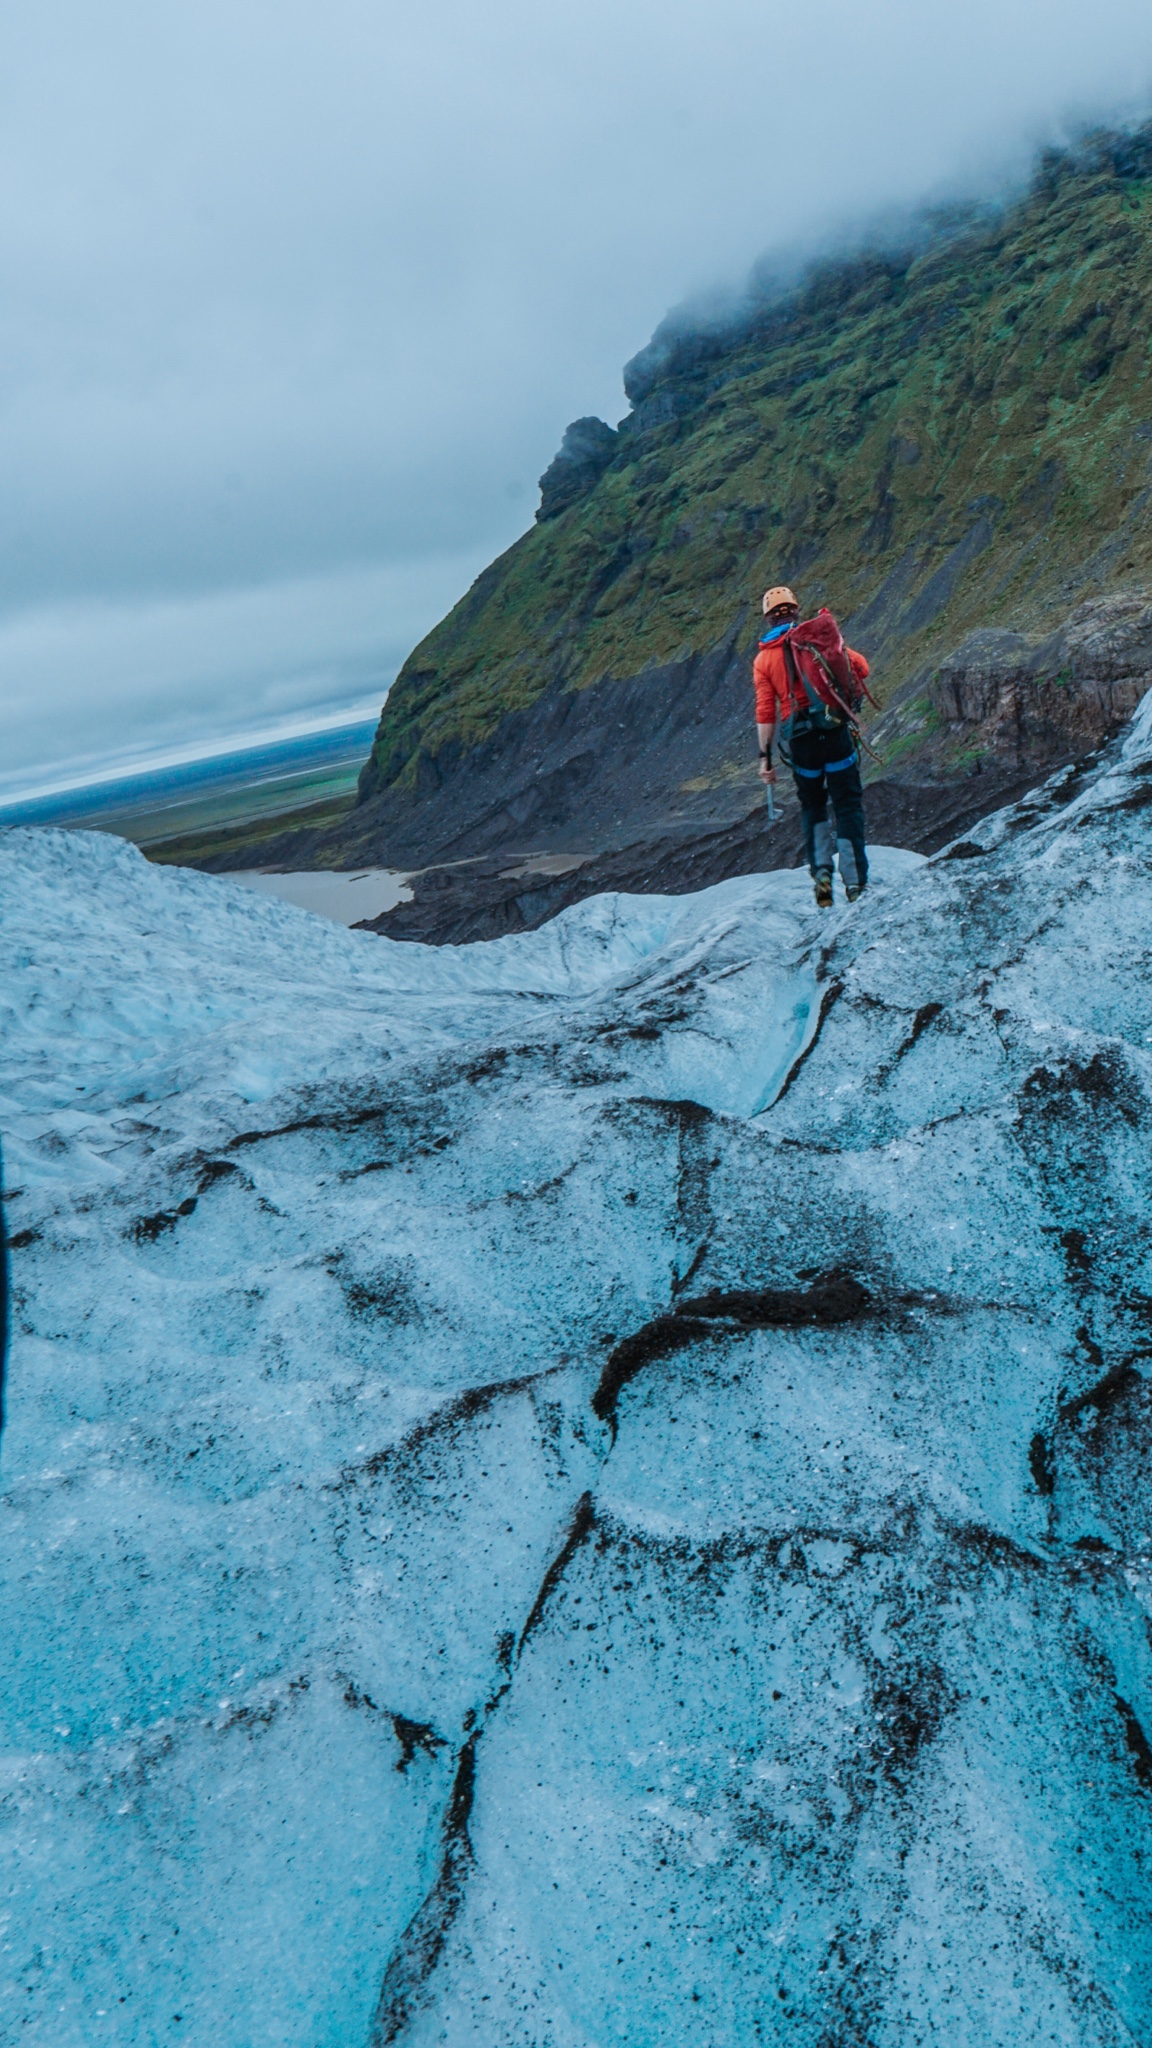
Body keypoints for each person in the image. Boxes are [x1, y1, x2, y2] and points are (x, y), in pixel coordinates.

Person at [753, 584, 871, 908]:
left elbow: (765, 712)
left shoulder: (763, 661)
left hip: (802, 744)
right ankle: (856, 883)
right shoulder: (816, 639)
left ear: (767, 619)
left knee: (813, 806)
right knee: (847, 804)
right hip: (834, 732)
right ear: (796, 610)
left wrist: (765, 760)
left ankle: (822, 879)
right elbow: (861, 667)